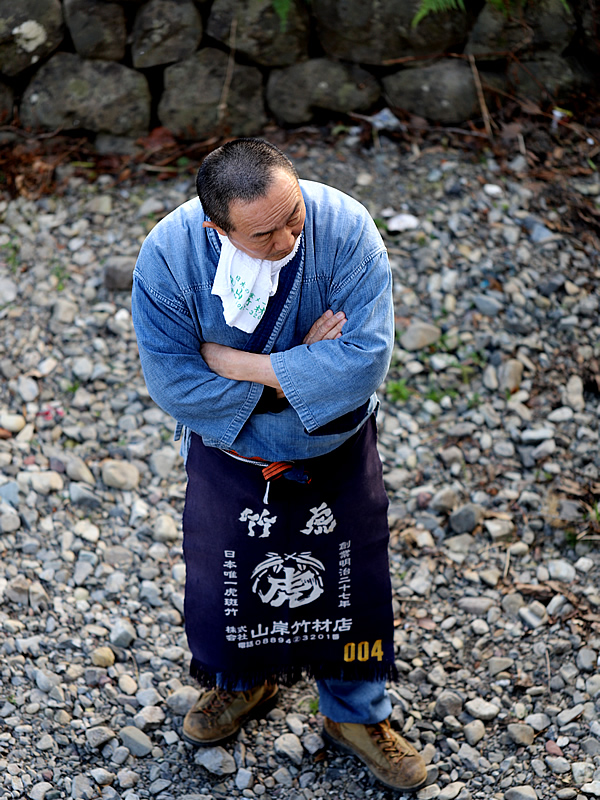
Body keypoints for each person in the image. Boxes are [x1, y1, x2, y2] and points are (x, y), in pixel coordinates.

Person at [131, 138, 427, 792]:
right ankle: (241, 685)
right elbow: (177, 384)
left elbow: (362, 365)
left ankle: (356, 714)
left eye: (294, 215)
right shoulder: (170, 257)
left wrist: (239, 366)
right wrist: (297, 373)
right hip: (228, 455)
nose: (289, 237)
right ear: (217, 228)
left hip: (335, 445)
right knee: (226, 583)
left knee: (349, 584)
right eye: (263, 233)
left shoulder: (344, 227)